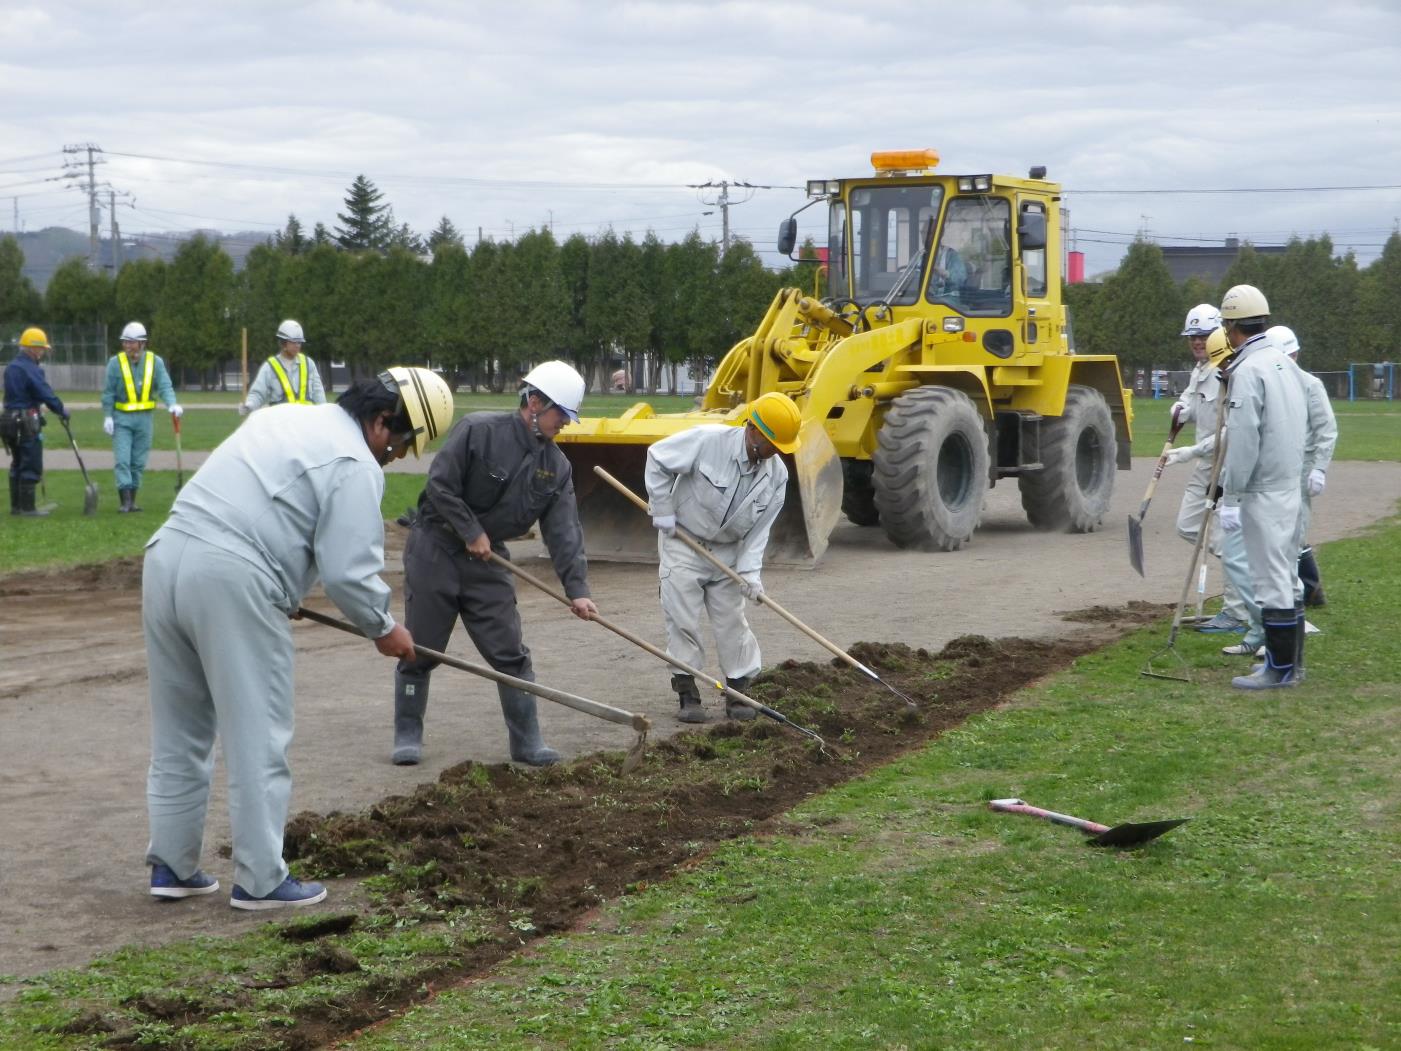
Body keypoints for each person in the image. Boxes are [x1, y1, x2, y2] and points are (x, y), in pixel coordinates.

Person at [142, 367, 453, 909]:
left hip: (166, 558)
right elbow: (349, 574)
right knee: (258, 733)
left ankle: (171, 864)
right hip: (233, 578)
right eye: (401, 445)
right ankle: (261, 880)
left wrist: (283, 587)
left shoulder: (286, 416)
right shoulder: (355, 461)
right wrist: (385, 627)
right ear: (381, 422)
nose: (396, 457)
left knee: (180, 730)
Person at [392, 361, 599, 767]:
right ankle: (407, 733)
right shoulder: (477, 431)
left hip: (488, 564)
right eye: (562, 415)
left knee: (511, 654)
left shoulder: (556, 468)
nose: (566, 425)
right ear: (535, 402)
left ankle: (526, 743)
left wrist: (578, 591)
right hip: (436, 547)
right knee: (421, 647)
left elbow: (564, 533)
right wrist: (470, 530)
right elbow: (440, 485)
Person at [645, 391, 801, 723]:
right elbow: (657, 457)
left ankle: (738, 691)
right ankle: (688, 692)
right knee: (682, 618)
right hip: (683, 541)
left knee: (732, 620)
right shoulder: (707, 441)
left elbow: (759, 532)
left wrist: (750, 575)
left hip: (729, 552)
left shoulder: (777, 477)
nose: (777, 452)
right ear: (754, 431)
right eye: (774, 443)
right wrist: (662, 510)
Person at [1215, 285, 1308, 690]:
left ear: (1232, 326)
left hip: (1264, 488)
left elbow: (1244, 438)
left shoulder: (1250, 370)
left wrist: (1231, 495)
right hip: (1290, 484)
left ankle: (1280, 670)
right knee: (1286, 577)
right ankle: (1288, 663)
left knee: (1271, 581)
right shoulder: (1283, 364)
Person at [1162, 304, 1249, 634]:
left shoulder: (1230, 371)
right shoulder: (1199, 370)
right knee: (1188, 525)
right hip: (1203, 465)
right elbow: (1189, 400)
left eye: (1203, 336)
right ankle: (1241, 561)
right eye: (1192, 337)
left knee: (1227, 538)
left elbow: (1231, 430)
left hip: (1226, 466)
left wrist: (1189, 452)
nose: (1197, 342)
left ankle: (1237, 610)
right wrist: (1182, 407)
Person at [1272, 325, 1336, 608]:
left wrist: (1320, 469)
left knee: (1293, 535)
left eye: (1292, 356)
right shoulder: (1273, 387)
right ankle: (1309, 590)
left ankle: (1299, 598)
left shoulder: (1311, 385)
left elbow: (1327, 429)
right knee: (1282, 534)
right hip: (1278, 470)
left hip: (1304, 471)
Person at [101, 321, 181, 513]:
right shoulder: (115, 363)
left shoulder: (155, 362)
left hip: (144, 420)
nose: (128, 346)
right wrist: (108, 416)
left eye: (132, 342)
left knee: (138, 461)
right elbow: (108, 392)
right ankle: (125, 502)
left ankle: (133, 501)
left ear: (142, 343)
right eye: (125, 342)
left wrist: (172, 404)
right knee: (122, 459)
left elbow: (164, 386)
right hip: (122, 419)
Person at [2, 326, 68, 517]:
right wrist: (61, 409)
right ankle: (28, 508)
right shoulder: (31, 369)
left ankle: (16, 507)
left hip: (8, 421)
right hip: (26, 421)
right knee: (30, 462)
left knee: (17, 462)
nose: (43, 353)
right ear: (33, 348)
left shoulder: (12, 367)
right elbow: (44, 393)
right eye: (41, 349)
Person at [241, 319, 325, 414]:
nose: (298, 346)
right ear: (283, 343)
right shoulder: (270, 367)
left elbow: (319, 394)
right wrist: (249, 406)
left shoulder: (308, 364)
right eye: (294, 342)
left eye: (299, 342)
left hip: (305, 423)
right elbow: (258, 393)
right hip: (281, 424)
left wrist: (323, 413)